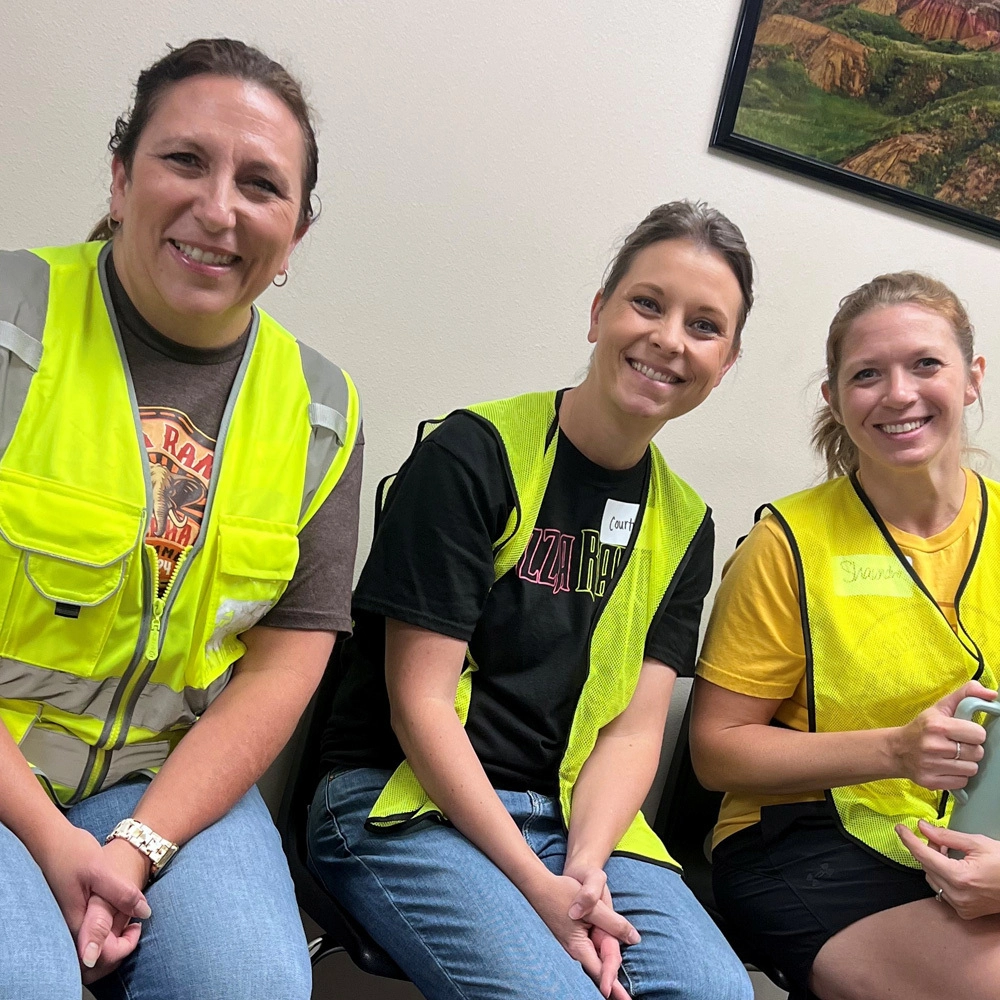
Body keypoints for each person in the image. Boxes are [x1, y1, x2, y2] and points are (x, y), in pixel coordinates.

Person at [307, 200, 756, 1000]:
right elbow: (420, 704)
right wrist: (536, 886)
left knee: (715, 994)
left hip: (575, 823)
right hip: (400, 798)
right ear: (598, 314)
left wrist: (581, 871)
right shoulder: (472, 454)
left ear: (725, 364)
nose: (668, 339)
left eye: (704, 326)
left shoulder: (687, 524)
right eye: (646, 304)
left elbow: (632, 731)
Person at [0, 38, 362, 999]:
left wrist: (139, 843)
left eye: (261, 185)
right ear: (120, 178)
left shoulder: (325, 408)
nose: (219, 209)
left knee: (254, 986)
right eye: (184, 160)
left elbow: (287, 662)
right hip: (4, 771)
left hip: (169, 782)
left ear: (297, 232)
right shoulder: (8, 321)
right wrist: (52, 841)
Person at [691, 272, 1000, 1000]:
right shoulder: (786, 543)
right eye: (867, 375)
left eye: (925, 364)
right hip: (801, 840)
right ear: (835, 399)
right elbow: (715, 752)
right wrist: (895, 750)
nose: (898, 394)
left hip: (974, 833)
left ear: (971, 380)